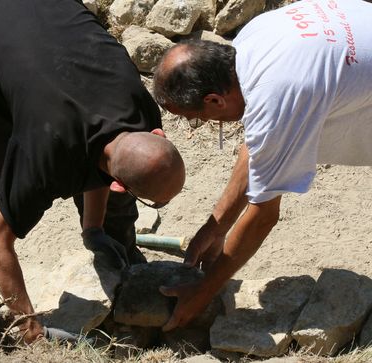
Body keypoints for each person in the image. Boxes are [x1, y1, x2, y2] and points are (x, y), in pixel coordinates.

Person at [0, 0, 185, 343]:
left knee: (114, 213)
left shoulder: (141, 109)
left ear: (158, 135)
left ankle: (124, 279)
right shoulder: (45, 154)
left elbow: (103, 156)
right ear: (117, 183)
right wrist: (33, 331)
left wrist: (94, 229)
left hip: (48, 30)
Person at [153, 0, 372, 331]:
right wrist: (216, 227)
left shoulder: (275, 96)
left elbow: (262, 217)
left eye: (197, 118)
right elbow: (257, 146)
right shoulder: (249, 44)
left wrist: (202, 292)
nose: (204, 123)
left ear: (214, 99)